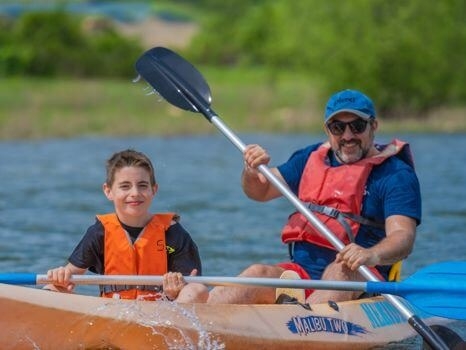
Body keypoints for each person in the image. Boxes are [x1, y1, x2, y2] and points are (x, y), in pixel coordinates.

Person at [207, 89, 421, 305]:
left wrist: (370, 254)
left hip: (361, 278)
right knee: (256, 272)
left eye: (357, 126)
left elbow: (403, 236)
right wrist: (251, 171)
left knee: (339, 272)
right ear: (327, 130)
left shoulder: (395, 174)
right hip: (301, 276)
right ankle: (199, 321)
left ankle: (299, 322)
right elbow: (259, 191)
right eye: (338, 127)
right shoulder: (309, 158)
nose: (347, 136)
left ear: (373, 126)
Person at [45, 149, 208, 303]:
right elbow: (71, 276)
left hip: (162, 315)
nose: (135, 193)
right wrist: (61, 275)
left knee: (197, 290)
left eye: (143, 185)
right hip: (113, 314)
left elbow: (193, 285)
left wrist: (174, 293)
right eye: (125, 186)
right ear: (108, 191)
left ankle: (174, 332)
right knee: (52, 288)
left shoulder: (172, 234)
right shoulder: (99, 233)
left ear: (154, 190)